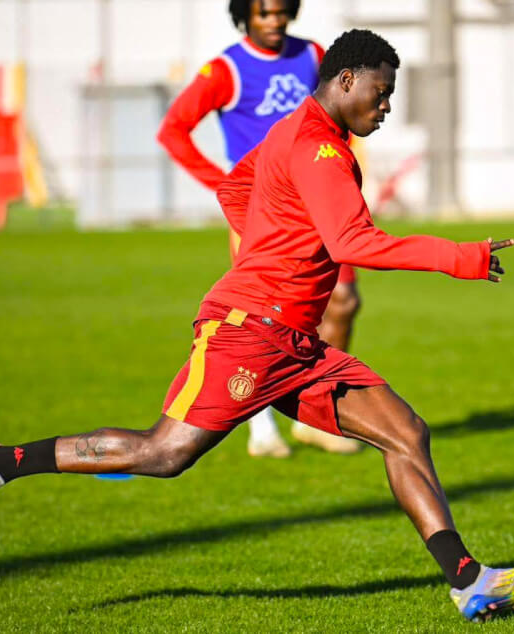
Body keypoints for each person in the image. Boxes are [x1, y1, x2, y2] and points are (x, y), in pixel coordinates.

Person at [0, 29, 514, 622]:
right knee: (164, 453)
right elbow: (352, 241)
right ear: (346, 80)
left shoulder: (292, 130)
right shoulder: (321, 150)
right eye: (381, 91)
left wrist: (270, 240)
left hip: (298, 346)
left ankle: (470, 582)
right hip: (249, 333)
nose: (386, 106)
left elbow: (235, 187)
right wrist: (459, 257)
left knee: (405, 432)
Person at [157, 0, 360, 457]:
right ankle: (261, 429)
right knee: (264, 317)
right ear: (245, 14)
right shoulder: (225, 69)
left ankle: (318, 416)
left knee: (343, 301)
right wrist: (225, 184)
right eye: (264, 12)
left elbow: (338, 116)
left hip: (318, 202)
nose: (274, 21)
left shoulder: (313, 56)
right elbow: (174, 130)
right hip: (262, 211)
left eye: (281, 11)